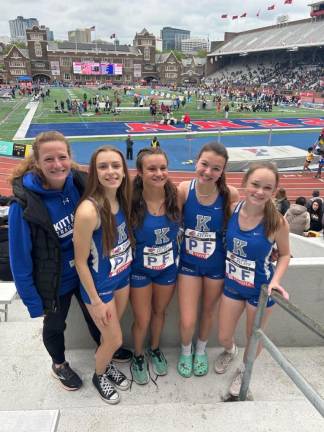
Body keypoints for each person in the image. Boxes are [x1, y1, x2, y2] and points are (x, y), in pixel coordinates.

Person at [8, 131, 101, 391]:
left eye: (62, 157)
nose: (57, 164)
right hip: (53, 280)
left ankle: (106, 351)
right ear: (37, 162)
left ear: (70, 158)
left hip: (85, 272)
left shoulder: (80, 183)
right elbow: (20, 259)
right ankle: (58, 364)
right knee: (55, 325)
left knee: (97, 316)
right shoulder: (23, 203)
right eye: (49, 159)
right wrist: (33, 302)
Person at [214, 161, 290, 397]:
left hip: (260, 290)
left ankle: (244, 370)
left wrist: (276, 280)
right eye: (255, 184)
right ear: (245, 183)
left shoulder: (277, 222)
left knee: (252, 336)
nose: (260, 191)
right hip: (233, 286)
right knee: (224, 335)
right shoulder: (233, 209)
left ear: (274, 192)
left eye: (267, 188)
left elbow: (285, 254)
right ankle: (230, 351)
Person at [73, 146, 133, 403]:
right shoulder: (89, 211)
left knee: (108, 337)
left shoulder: (122, 198)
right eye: (103, 167)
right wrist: (95, 301)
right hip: (101, 286)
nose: (111, 172)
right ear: (94, 172)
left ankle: (105, 363)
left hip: (122, 276)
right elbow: (80, 261)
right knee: (115, 338)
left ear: (124, 170)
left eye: (116, 166)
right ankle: (99, 375)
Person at [177, 142, 239, 378]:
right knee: (187, 318)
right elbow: (171, 220)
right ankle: (185, 351)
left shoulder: (229, 195)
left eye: (216, 168)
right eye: (204, 164)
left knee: (208, 312)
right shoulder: (184, 189)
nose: (208, 172)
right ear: (196, 162)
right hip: (189, 265)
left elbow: (240, 226)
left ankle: (200, 351)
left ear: (223, 171)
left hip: (216, 265)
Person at [130, 148, 181, 384]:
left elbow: (227, 194)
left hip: (167, 269)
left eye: (163, 168)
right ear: (140, 172)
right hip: (140, 271)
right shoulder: (130, 200)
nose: (159, 173)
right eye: (152, 168)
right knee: (142, 318)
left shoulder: (177, 196)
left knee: (160, 312)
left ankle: (155, 348)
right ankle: (138, 355)